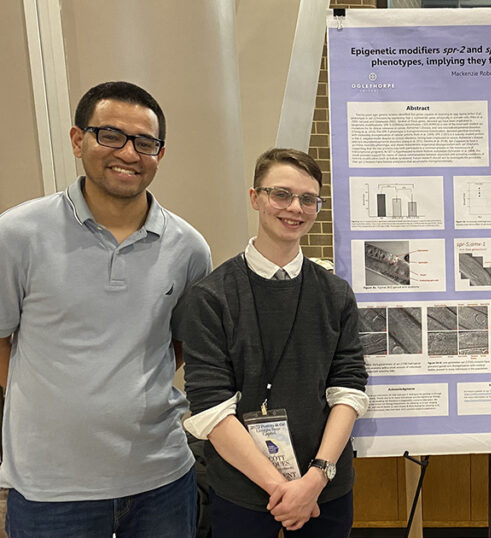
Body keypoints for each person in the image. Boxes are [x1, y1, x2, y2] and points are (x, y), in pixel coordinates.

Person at [0, 81, 210, 537]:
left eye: (145, 142)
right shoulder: (16, 234)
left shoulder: (189, 248)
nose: (129, 153)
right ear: (79, 140)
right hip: (50, 488)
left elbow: (176, 343)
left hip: (162, 478)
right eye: (110, 135)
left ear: (159, 153)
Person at [175, 148, 368, 537]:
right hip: (243, 489)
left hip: (325, 487)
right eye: (281, 194)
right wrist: (284, 491)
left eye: (307, 199)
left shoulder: (334, 293)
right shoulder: (212, 297)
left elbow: (349, 389)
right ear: (255, 198)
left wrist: (314, 479)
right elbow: (211, 408)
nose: (294, 208)